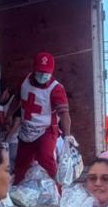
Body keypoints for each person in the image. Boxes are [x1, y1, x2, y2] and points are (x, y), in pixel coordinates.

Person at [14, 51, 73, 182]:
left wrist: (68, 135)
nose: (43, 75)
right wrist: (8, 117)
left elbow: (64, 113)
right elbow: (16, 99)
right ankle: (17, 190)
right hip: (27, 130)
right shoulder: (24, 81)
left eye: (46, 73)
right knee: (21, 164)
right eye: (40, 72)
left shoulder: (56, 89)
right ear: (34, 69)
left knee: (46, 158)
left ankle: (57, 190)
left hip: (46, 130)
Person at [0, 81, 21, 173]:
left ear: (6, 91)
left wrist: (6, 141)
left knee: (11, 159)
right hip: (0, 137)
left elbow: (16, 124)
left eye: (0, 95)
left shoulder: (14, 102)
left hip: (14, 138)